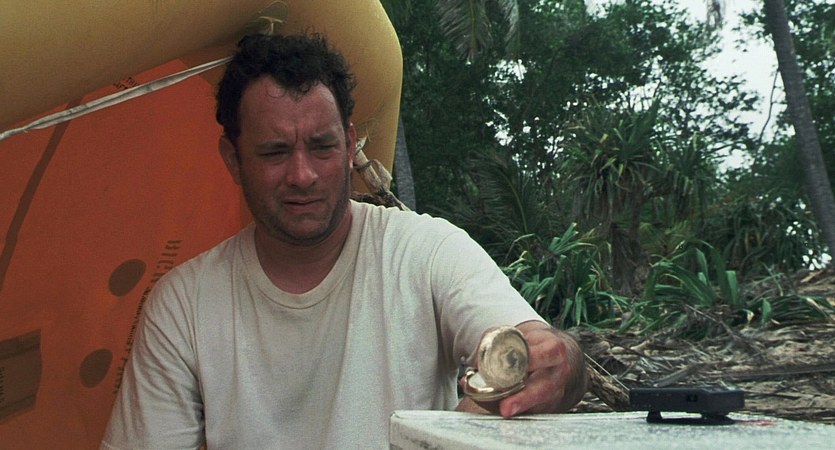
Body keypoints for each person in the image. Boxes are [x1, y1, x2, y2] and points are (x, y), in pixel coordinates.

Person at [101, 33, 587, 449]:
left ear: (351, 143)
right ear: (233, 158)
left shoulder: (426, 251)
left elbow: (541, 352)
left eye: (322, 146)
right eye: (274, 152)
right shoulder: (183, 305)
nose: (303, 175)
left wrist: (555, 361)